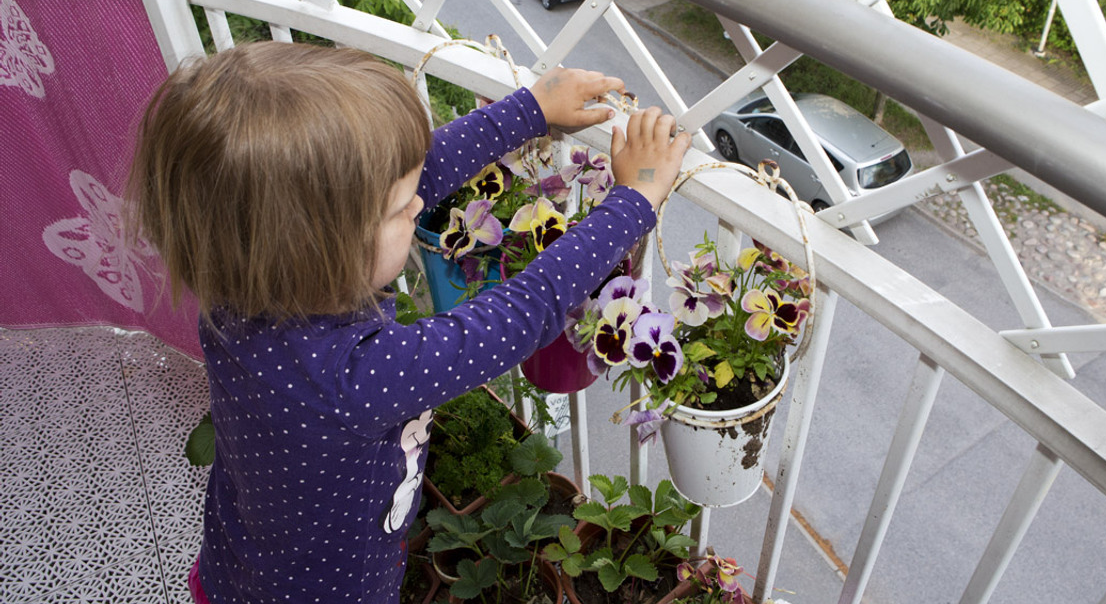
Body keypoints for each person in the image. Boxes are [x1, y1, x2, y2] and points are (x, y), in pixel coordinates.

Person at [127, 41, 691, 603]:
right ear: (324, 248)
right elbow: (524, 311)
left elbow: (413, 175)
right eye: (400, 210)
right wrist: (635, 199)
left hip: (240, 564)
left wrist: (531, 109)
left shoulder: (238, 283)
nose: (420, 204)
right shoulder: (359, 376)